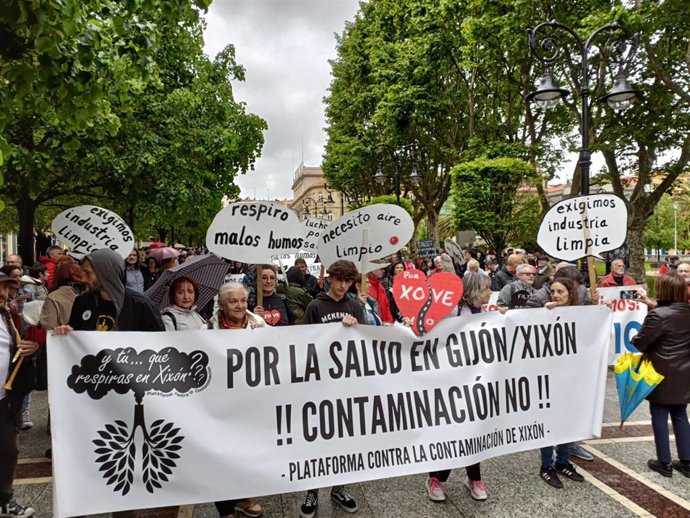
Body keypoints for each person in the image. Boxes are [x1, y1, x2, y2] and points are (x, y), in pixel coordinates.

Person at [300, 260, 362, 518]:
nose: (343, 286)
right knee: (316, 437)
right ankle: (312, 490)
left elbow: (365, 340)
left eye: (348, 281)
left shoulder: (355, 305)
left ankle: (338, 488)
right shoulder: (316, 306)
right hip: (320, 384)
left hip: (346, 383)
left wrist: (355, 328)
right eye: (339, 280)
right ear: (331, 278)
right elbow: (305, 343)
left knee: (343, 440)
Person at [200, 282, 266, 518]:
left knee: (246, 454)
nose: (239, 306)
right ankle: (226, 509)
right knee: (222, 457)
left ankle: (244, 497)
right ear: (222, 304)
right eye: (233, 301)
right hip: (221, 406)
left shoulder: (259, 325)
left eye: (243, 301)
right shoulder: (206, 329)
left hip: (251, 404)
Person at [426, 272, 491, 503]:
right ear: (475, 291)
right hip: (450, 383)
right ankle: (436, 478)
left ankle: (474, 478)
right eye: (486, 289)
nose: (490, 293)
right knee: (450, 431)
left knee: (473, 430)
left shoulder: (486, 313)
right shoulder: (452, 312)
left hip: (475, 383)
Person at [631, 273, 690, 478]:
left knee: (659, 414)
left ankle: (664, 462)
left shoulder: (659, 315)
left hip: (661, 372)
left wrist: (633, 337)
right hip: (684, 373)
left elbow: (640, 342)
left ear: (663, 290)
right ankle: (687, 461)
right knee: (680, 414)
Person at [539, 277, 586, 488]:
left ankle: (563, 461)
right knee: (549, 422)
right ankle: (546, 465)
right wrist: (544, 313)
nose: (556, 296)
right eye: (553, 292)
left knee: (568, 422)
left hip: (572, 378)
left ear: (571, 294)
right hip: (550, 379)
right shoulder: (545, 314)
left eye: (560, 292)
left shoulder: (582, 314)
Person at [53, 248, 164, 333]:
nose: (82, 278)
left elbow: (157, 345)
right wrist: (65, 332)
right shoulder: (82, 302)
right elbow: (75, 339)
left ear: (105, 275)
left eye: (88, 273)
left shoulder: (141, 305)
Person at [0, 271, 38, 517]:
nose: (4, 294)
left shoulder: (7, 317)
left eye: (6, 290)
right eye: (0, 289)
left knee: (8, 450)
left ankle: (4, 500)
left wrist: (30, 347)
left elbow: (15, 348)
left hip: (4, 400)